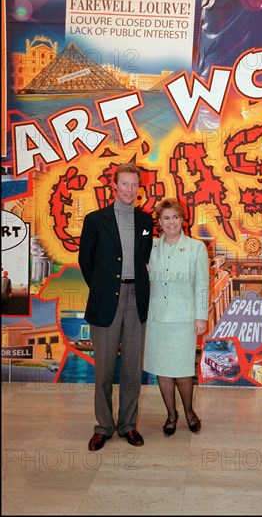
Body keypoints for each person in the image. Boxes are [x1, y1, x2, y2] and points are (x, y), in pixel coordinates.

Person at [78, 163, 153, 451]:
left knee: (133, 369)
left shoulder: (146, 221)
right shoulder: (95, 220)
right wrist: (103, 289)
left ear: (138, 188)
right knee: (104, 371)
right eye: (124, 184)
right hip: (106, 299)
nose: (129, 189)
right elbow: (87, 260)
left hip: (138, 299)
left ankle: (128, 425)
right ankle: (103, 427)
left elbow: (146, 259)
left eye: (134, 185)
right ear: (115, 186)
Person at [143, 198, 209, 436]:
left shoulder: (196, 247)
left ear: (183, 219)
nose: (171, 222)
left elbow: (202, 284)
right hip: (157, 318)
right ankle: (171, 415)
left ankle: (190, 412)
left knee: (182, 370)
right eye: (166, 218)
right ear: (159, 222)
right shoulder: (149, 247)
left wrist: (201, 316)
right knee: (163, 369)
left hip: (184, 319)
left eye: (175, 217)